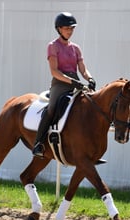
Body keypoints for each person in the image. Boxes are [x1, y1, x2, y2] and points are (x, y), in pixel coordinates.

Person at [32, 12, 96, 158]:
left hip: (76, 83)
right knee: (52, 109)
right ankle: (39, 143)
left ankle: (91, 146)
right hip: (60, 84)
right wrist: (73, 82)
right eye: (67, 28)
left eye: (72, 28)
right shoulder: (53, 46)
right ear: (59, 29)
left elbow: (82, 68)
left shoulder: (76, 48)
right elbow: (54, 71)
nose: (70, 31)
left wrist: (90, 78)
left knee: (92, 105)